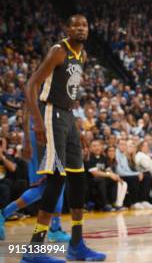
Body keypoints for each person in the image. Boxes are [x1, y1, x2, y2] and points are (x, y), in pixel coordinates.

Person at [24, 14, 105, 263]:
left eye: (84, 24)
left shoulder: (82, 56)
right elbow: (31, 84)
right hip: (51, 113)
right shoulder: (59, 50)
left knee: (78, 181)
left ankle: (77, 245)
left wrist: (77, 130)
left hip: (68, 118)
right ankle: (33, 252)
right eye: (75, 25)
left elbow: (71, 95)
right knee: (57, 179)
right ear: (67, 29)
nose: (80, 28)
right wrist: (37, 121)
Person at [0, 106, 69, 242]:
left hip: (44, 134)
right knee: (53, 182)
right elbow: (27, 109)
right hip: (40, 136)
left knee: (51, 184)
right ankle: (55, 229)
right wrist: (27, 141)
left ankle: (3, 214)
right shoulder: (38, 88)